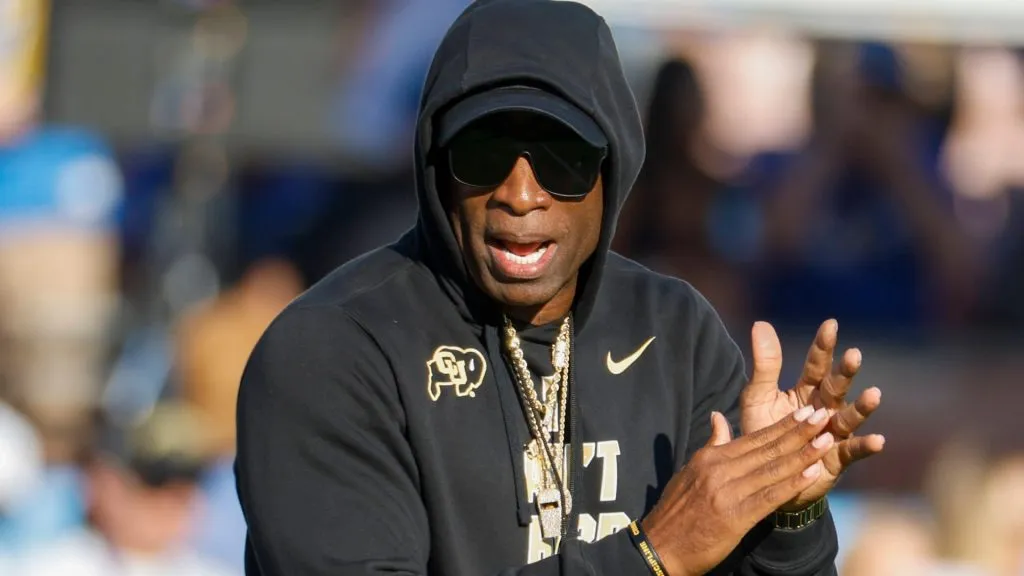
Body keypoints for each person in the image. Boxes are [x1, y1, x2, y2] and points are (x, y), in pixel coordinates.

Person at [235, 1, 886, 574]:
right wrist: (653, 556)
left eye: (563, 160)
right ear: (436, 165)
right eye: (484, 154)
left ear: (615, 169)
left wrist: (785, 518)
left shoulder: (673, 331)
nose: (521, 195)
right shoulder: (333, 350)